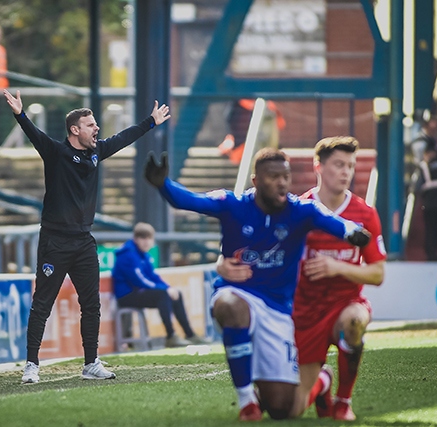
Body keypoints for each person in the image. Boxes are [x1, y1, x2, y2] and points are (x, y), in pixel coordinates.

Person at [144, 147, 371, 421]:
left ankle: (322, 381)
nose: (281, 183)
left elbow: (333, 222)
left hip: (278, 310)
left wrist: (352, 232)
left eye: (285, 176)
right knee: (230, 306)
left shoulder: (301, 210)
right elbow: (192, 202)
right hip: (238, 293)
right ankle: (247, 401)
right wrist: (163, 185)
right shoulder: (232, 204)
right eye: (273, 176)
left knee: (283, 409)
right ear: (256, 181)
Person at [3, 89, 171, 384]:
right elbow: (34, 134)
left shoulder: (96, 152)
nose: (97, 129)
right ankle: (31, 365)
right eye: (91, 125)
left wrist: (151, 122)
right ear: (74, 130)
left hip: (83, 242)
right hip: (55, 241)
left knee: (91, 304)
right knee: (42, 303)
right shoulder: (55, 153)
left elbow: (123, 139)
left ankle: (91, 363)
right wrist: (20, 114)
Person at [219, 136, 387, 421]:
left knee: (354, 322)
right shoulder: (296, 210)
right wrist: (222, 264)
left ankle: (343, 401)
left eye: (350, 165)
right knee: (286, 410)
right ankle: (323, 382)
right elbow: (247, 251)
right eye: (338, 165)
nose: (346, 172)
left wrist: (337, 268)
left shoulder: (365, 214)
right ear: (318, 167)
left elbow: (378, 273)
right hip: (301, 315)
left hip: (344, 304)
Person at [111, 222, 208, 348]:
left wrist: (168, 288)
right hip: (126, 295)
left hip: (138, 291)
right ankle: (171, 336)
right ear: (136, 239)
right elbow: (139, 280)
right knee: (162, 294)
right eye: (142, 238)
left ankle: (190, 334)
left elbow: (153, 276)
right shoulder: (128, 255)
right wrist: (164, 290)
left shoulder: (143, 255)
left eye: (149, 238)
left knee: (175, 294)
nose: (146, 242)